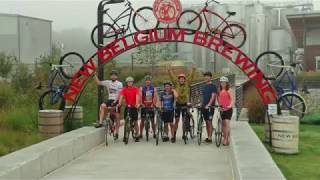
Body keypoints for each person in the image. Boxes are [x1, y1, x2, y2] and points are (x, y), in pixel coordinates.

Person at [167, 64, 196, 143]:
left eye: (183, 79)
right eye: (180, 79)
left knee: (185, 119)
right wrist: (170, 70)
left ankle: (184, 133)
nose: (181, 80)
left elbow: (191, 77)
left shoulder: (187, 84)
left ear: (184, 79)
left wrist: (193, 70)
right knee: (176, 120)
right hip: (178, 104)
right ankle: (174, 135)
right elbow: (172, 77)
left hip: (185, 104)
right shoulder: (176, 84)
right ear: (178, 79)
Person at [94, 70, 122, 140]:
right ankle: (100, 123)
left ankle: (117, 132)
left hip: (116, 100)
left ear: (117, 76)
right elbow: (98, 83)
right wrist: (94, 75)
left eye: (114, 75)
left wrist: (116, 102)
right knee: (102, 106)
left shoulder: (119, 83)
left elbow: (120, 94)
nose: (113, 76)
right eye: (112, 75)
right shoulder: (108, 82)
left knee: (117, 117)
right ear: (110, 76)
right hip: (109, 99)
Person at [118, 76, 140, 142]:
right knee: (126, 120)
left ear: (132, 82)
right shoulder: (124, 89)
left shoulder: (135, 88)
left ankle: (137, 135)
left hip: (134, 106)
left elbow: (137, 96)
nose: (129, 83)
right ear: (126, 83)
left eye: (131, 82)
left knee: (135, 121)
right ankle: (125, 135)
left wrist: (137, 103)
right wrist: (119, 103)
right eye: (128, 82)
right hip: (128, 106)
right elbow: (121, 96)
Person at [139, 75, 158, 140]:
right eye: (146, 80)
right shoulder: (142, 88)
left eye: (149, 80)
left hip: (151, 106)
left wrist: (154, 104)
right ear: (145, 81)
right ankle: (140, 133)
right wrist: (141, 104)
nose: (148, 81)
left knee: (152, 121)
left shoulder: (153, 88)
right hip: (144, 105)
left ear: (151, 81)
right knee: (142, 120)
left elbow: (155, 97)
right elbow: (140, 96)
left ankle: (154, 133)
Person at [201, 72, 217, 143]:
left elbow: (213, 96)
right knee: (206, 122)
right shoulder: (204, 86)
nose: (206, 78)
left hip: (210, 107)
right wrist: (200, 103)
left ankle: (210, 138)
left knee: (209, 121)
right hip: (203, 106)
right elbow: (203, 97)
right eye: (205, 76)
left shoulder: (213, 86)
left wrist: (209, 104)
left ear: (210, 77)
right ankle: (208, 136)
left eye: (208, 76)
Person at [217, 76, 233, 146]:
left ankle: (226, 139)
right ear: (220, 83)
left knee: (227, 123)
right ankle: (225, 137)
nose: (223, 84)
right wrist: (218, 106)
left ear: (227, 83)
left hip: (228, 109)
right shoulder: (219, 90)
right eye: (221, 82)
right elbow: (218, 99)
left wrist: (230, 105)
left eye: (224, 83)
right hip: (222, 109)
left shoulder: (229, 90)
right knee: (223, 124)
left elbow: (232, 99)